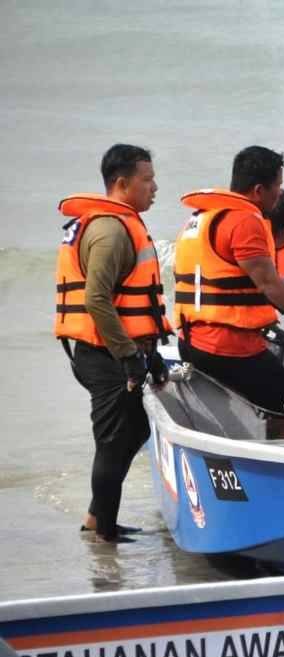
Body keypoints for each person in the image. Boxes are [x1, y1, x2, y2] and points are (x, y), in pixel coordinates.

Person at [173, 146, 284, 413]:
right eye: (277, 185)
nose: (280, 192)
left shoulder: (200, 218)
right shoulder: (245, 220)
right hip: (227, 345)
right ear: (258, 190)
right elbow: (268, 283)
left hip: (190, 341)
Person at [55, 144, 173, 542]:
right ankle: (103, 532)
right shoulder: (109, 231)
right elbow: (96, 299)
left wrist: (150, 353)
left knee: (135, 428)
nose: (154, 187)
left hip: (118, 349)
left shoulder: (121, 223)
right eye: (147, 179)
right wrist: (128, 356)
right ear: (122, 184)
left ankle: (97, 517)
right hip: (104, 354)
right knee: (114, 439)